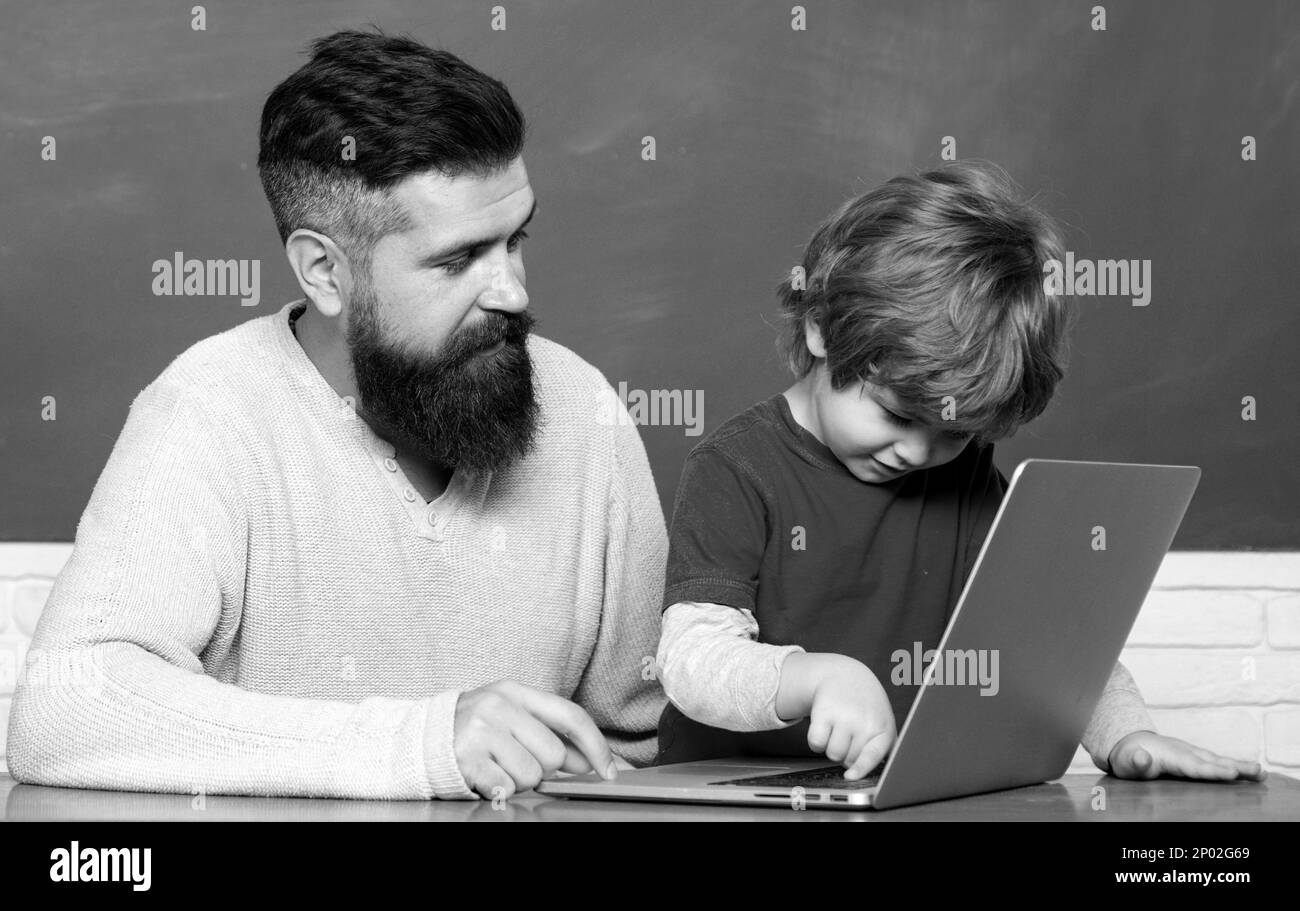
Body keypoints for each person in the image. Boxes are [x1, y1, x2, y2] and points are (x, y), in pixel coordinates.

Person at [7, 28, 667, 801]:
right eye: (459, 259)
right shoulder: (206, 413)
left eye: (514, 241)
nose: (513, 291)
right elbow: (67, 707)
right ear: (325, 270)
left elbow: (646, 748)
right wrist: (417, 744)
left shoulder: (585, 414)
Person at [654, 161, 1267, 785]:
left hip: (887, 792)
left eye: (954, 430)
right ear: (821, 329)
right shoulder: (735, 468)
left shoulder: (968, 479)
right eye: (895, 413)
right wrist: (814, 677)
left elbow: (1047, 635)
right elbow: (691, 660)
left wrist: (1125, 735)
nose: (918, 453)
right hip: (722, 790)